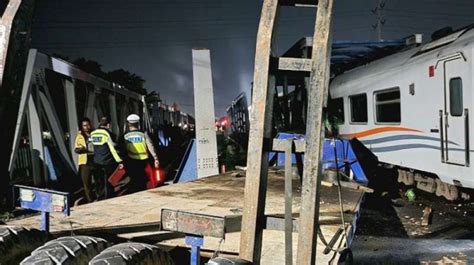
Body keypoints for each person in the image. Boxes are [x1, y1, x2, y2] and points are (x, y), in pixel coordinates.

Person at [121, 114, 159, 193]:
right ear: (138, 123)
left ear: (128, 124)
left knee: (135, 180)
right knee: (145, 180)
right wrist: (155, 158)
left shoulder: (125, 136)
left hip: (132, 160)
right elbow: (150, 146)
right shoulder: (143, 134)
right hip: (144, 161)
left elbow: (122, 150)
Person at [90, 116, 123, 199]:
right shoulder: (107, 133)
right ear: (108, 125)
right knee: (109, 182)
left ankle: (100, 196)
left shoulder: (93, 133)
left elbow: (90, 147)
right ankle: (109, 197)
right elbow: (113, 148)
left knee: (99, 181)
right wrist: (119, 161)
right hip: (108, 162)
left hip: (96, 161)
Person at [74, 117, 95, 202]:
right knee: (86, 182)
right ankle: (90, 199)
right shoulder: (79, 136)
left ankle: (99, 195)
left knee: (97, 180)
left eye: (87, 125)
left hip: (94, 159)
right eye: (84, 125)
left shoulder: (94, 134)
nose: (86, 127)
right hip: (84, 161)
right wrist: (83, 149)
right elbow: (76, 149)